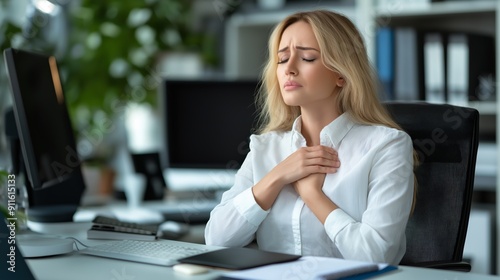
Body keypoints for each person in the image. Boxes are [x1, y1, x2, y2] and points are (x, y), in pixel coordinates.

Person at [205, 10, 416, 265]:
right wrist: (277, 176)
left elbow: (376, 255)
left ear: (341, 73)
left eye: (307, 57)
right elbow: (216, 239)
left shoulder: (386, 145)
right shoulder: (266, 147)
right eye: (282, 59)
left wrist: (313, 196)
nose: (289, 69)